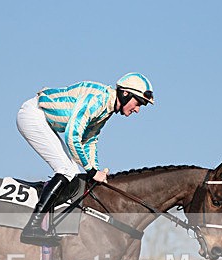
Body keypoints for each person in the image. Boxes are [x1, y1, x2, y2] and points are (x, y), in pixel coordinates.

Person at [16, 73, 155, 245]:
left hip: (44, 120)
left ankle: (44, 220)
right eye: (138, 103)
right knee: (67, 170)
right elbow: (73, 135)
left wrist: (95, 170)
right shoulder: (98, 100)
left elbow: (89, 140)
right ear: (125, 93)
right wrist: (91, 171)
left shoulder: (107, 108)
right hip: (33, 116)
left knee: (72, 171)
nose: (137, 109)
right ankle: (32, 227)